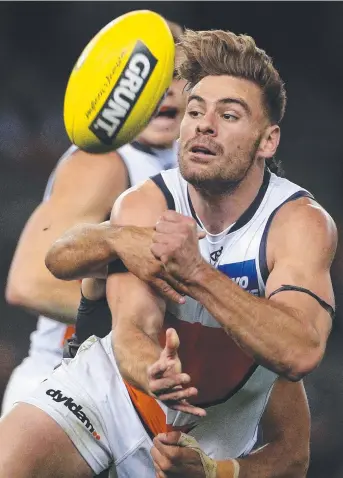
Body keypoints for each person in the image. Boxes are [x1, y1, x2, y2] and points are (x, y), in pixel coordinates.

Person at [0, 28, 325, 477]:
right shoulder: (133, 187)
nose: (204, 123)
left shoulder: (295, 223)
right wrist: (114, 248)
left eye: (228, 115)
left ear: (267, 140)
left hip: (199, 435)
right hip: (97, 385)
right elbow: (108, 314)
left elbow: (296, 361)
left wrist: (195, 283)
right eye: (196, 109)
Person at [2, 19, 186, 417]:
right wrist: (155, 320)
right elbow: (28, 283)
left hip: (125, 392)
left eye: (179, 72)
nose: (166, 86)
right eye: (153, 73)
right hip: (62, 388)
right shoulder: (102, 162)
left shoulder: (187, 168)